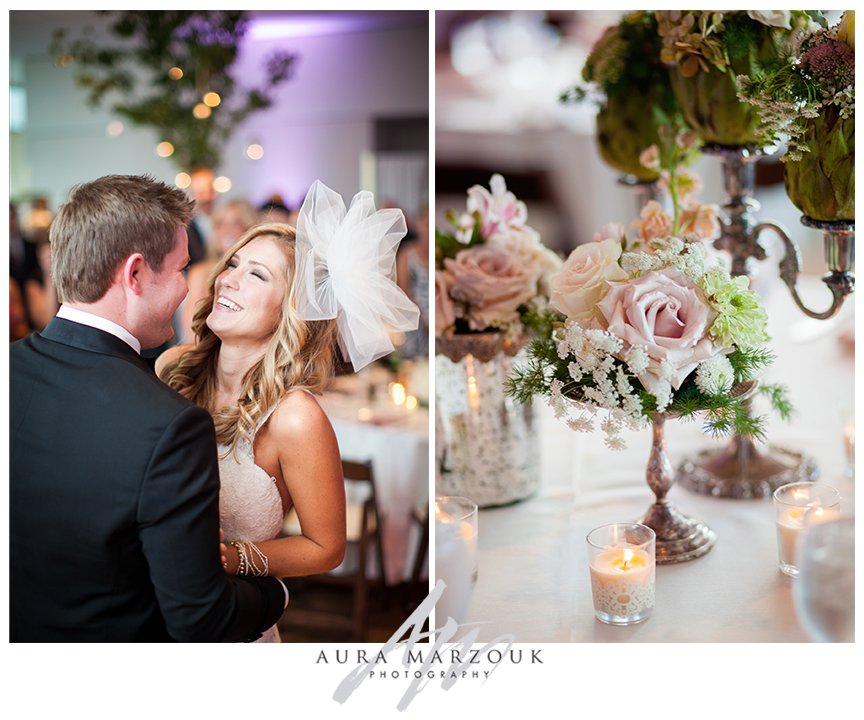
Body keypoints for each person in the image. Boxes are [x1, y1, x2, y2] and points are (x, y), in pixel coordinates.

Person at [10, 174, 288, 642]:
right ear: (135, 274)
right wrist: (275, 595)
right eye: (181, 270)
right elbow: (202, 620)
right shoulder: (169, 424)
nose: (189, 289)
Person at [157, 180, 421, 642]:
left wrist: (231, 557)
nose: (229, 279)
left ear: (289, 310)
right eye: (233, 263)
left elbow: (325, 547)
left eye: (257, 275)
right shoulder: (172, 368)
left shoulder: (294, 417)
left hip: (232, 622)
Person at [178, 197, 258, 343]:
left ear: (250, 228)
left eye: (236, 223)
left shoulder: (257, 275)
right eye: (221, 224)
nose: (227, 230)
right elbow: (192, 331)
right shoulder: (200, 273)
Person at [396, 204, 429, 358]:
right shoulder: (407, 255)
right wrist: (422, 318)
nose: (428, 231)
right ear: (419, 224)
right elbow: (404, 292)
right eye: (426, 224)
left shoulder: (438, 255)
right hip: (415, 322)